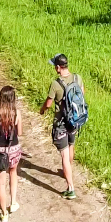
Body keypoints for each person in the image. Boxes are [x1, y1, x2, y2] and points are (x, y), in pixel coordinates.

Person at [40, 53, 83, 199]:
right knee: (71, 146)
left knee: (64, 154)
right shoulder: (78, 78)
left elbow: (48, 103)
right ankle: (67, 169)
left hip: (61, 124)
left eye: (54, 66)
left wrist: (42, 110)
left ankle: (70, 188)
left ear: (58, 67)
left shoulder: (56, 84)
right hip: (75, 120)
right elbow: (82, 95)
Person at [0, 86, 23, 222]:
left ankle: (4, 214)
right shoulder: (17, 113)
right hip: (13, 149)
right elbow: (19, 133)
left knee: (1, 183)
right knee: (13, 173)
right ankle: (13, 203)